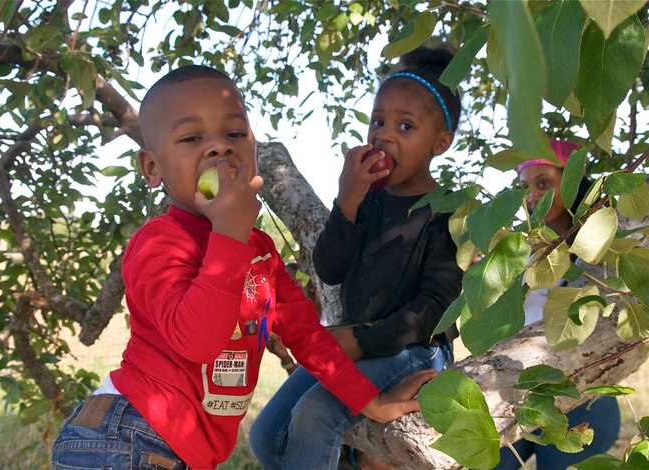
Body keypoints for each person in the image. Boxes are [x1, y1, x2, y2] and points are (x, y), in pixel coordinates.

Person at [50, 65, 438, 470]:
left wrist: (371, 402)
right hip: (126, 435)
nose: (219, 148)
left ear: (254, 149)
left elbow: (308, 338)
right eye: (192, 137)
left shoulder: (259, 252)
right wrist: (229, 235)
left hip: (168, 448)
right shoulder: (159, 244)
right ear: (153, 167)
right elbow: (197, 340)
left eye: (235, 133)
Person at [249, 46, 464, 470]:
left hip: (416, 351)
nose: (384, 135)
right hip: (355, 346)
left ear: (441, 142)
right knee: (264, 435)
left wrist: (354, 340)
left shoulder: (448, 212)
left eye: (405, 125)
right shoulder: (366, 199)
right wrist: (347, 198)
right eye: (378, 121)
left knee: (315, 414)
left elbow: (432, 310)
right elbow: (330, 269)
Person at [495, 139, 621, 469]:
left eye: (543, 183)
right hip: (515, 394)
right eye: (526, 187)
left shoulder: (604, 250)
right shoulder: (519, 252)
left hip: (582, 399)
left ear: (572, 182)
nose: (533, 196)